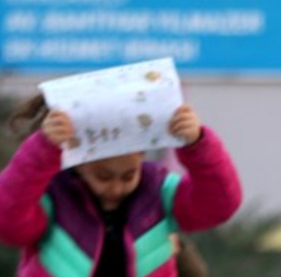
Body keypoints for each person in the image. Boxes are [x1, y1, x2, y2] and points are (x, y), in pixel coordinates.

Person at [0, 93, 242, 277]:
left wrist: (198, 144)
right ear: (78, 164)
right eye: (103, 177)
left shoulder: (160, 192)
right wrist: (42, 149)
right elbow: (7, 220)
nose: (116, 188)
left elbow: (220, 204)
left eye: (128, 176)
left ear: (141, 158)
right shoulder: (51, 196)